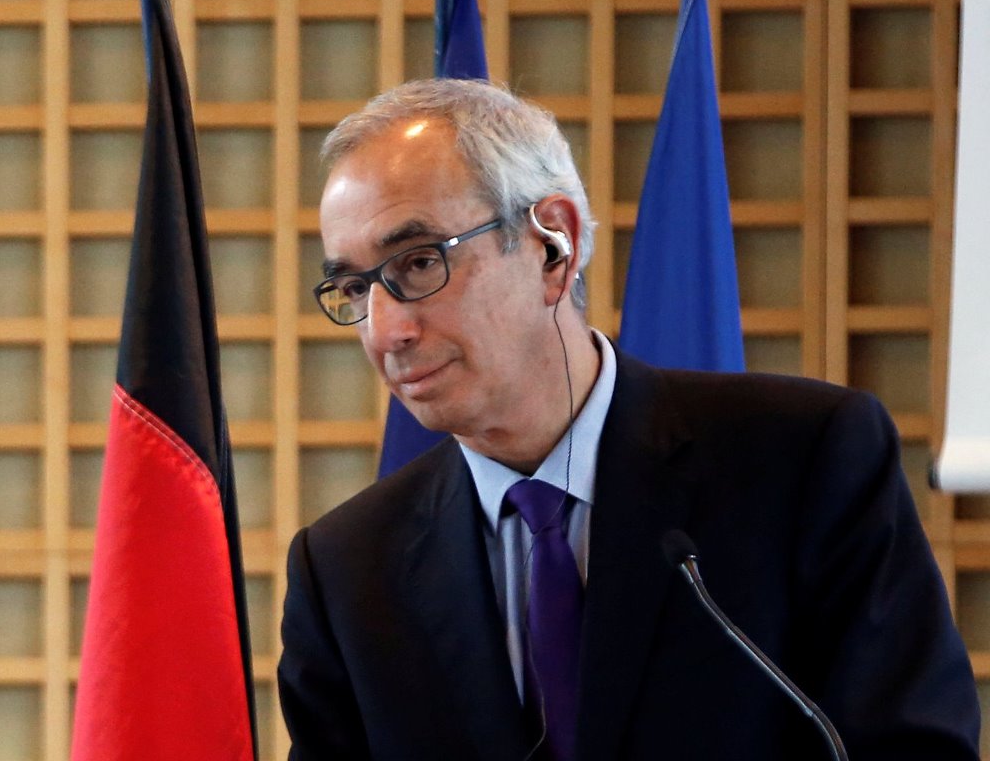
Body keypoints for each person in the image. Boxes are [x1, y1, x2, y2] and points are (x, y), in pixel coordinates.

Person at [277, 79, 980, 760]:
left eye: (419, 261)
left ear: (554, 245)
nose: (385, 328)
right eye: (355, 288)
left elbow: (913, 743)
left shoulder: (803, 462)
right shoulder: (346, 570)